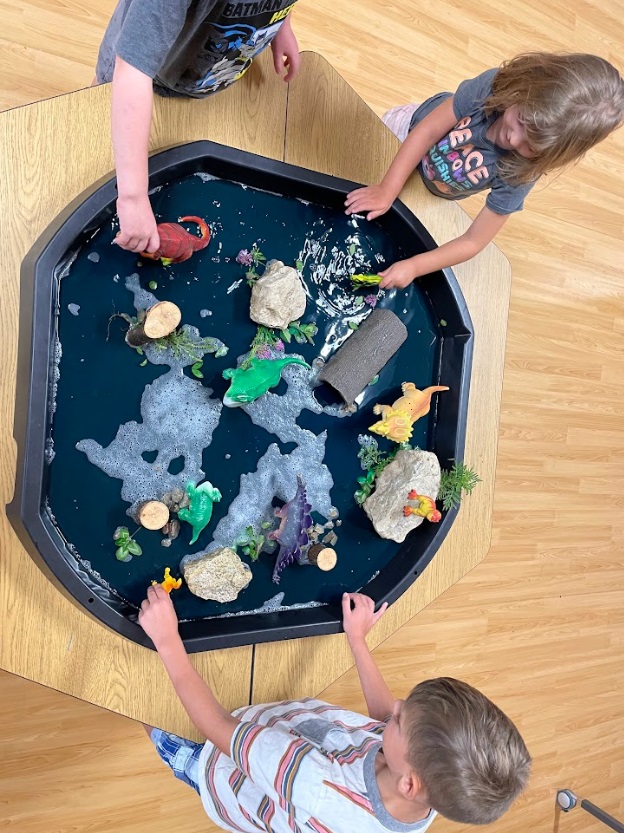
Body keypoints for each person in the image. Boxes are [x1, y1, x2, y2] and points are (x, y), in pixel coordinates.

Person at [138, 585, 531, 831]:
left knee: (151, 706)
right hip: (275, 735)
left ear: (409, 783)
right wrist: (357, 639)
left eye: (399, 719)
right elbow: (383, 719)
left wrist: (168, 640)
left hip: (218, 764)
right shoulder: (423, 796)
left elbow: (216, 725)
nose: (392, 706)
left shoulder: (317, 786)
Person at [344, 53, 624, 289]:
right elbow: (427, 131)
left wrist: (415, 266)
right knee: (360, 155)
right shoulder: (493, 85)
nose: (514, 140)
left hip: (433, 188)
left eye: (532, 146)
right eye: (522, 120)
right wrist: (387, 189)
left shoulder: (522, 172)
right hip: (406, 133)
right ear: (527, 88)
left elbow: (473, 241)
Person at [95, 0, 302, 255]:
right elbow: (132, 73)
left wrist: (280, 27)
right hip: (139, 80)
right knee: (96, 137)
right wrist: (133, 197)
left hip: (205, 79)